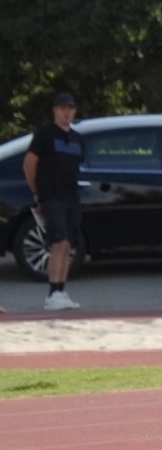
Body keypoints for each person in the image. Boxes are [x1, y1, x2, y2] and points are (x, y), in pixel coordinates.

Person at [23, 92, 86, 311]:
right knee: (57, 242)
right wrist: (37, 191)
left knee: (68, 244)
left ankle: (61, 289)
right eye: (62, 108)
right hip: (51, 196)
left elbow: (77, 167)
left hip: (71, 196)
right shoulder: (45, 135)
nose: (66, 112)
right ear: (55, 110)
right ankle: (52, 293)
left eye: (70, 108)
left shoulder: (78, 139)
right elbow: (29, 163)